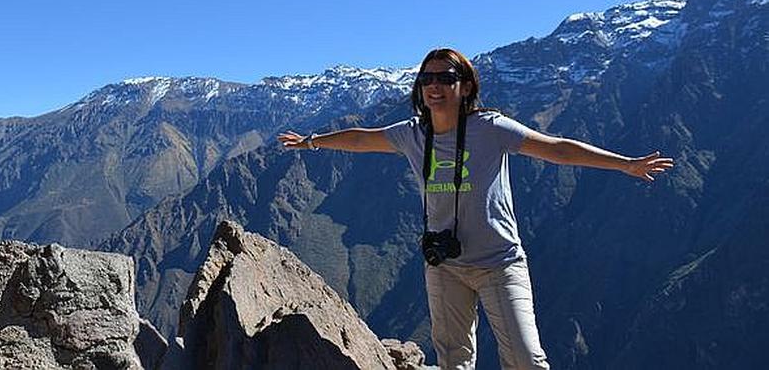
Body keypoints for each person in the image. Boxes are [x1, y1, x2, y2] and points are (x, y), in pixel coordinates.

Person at [278, 47, 674, 370]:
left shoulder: (492, 128)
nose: (434, 86)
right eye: (427, 79)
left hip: (500, 264)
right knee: (454, 361)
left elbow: (555, 148)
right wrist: (312, 141)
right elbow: (362, 140)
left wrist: (624, 164)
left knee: (525, 360)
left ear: (465, 87)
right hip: (444, 264)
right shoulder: (413, 134)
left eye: (445, 79)